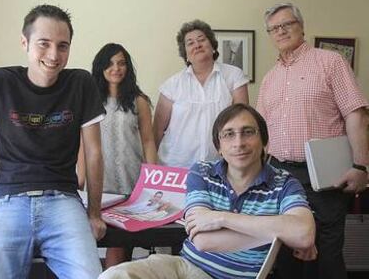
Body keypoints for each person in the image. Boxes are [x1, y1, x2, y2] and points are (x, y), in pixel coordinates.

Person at [0, 4, 105, 278]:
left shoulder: (81, 83)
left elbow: (94, 153)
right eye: (44, 44)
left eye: (63, 46)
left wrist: (94, 213)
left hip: (64, 201)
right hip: (6, 201)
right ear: (25, 43)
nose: (53, 55)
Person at [98, 104, 316, 279]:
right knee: (116, 275)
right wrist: (276, 232)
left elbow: (303, 234)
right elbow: (202, 240)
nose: (239, 143)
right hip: (184, 268)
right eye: (229, 134)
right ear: (219, 147)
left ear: (264, 142)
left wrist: (220, 218)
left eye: (248, 132)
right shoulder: (202, 172)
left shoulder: (284, 183)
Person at [257, 2, 369, 279]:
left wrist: (361, 166)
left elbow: (355, 113)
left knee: (327, 255)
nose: (281, 31)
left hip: (323, 176)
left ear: (301, 27)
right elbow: (261, 132)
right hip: (279, 176)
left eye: (287, 24)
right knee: (285, 255)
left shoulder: (330, 62)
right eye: (274, 28)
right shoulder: (270, 79)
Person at [77, 43, 157, 268]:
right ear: (101, 67)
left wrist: (155, 181)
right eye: (110, 63)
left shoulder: (138, 101)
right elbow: (82, 145)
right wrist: (79, 181)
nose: (116, 68)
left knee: (121, 244)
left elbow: (148, 141)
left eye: (122, 63)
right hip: (100, 182)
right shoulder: (89, 100)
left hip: (132, 180)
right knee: (94, 239)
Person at [153, 19, 249, 169]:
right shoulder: (172, 85)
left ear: (212, 46)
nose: (197, 45)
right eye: (190, 43)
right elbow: (157, 130)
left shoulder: (233, 76)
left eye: (201, 40)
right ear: (185, 54)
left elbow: (242, 121)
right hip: (176, 166)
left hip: (220, 166)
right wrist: (151, 169)